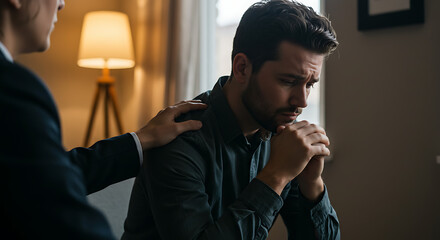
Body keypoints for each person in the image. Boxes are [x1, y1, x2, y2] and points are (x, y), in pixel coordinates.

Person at [123, 0, 340, 239]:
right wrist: (276, 175)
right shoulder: (179, 140)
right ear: (242, 68)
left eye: (309, 84)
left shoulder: (280, 134)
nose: (302, 101)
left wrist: (313, 185)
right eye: (288, 81)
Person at [0, 0, 207, 239]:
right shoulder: (15, 91)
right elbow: (62, 211)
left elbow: (49, 175)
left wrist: (141, 139)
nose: (61, 4)